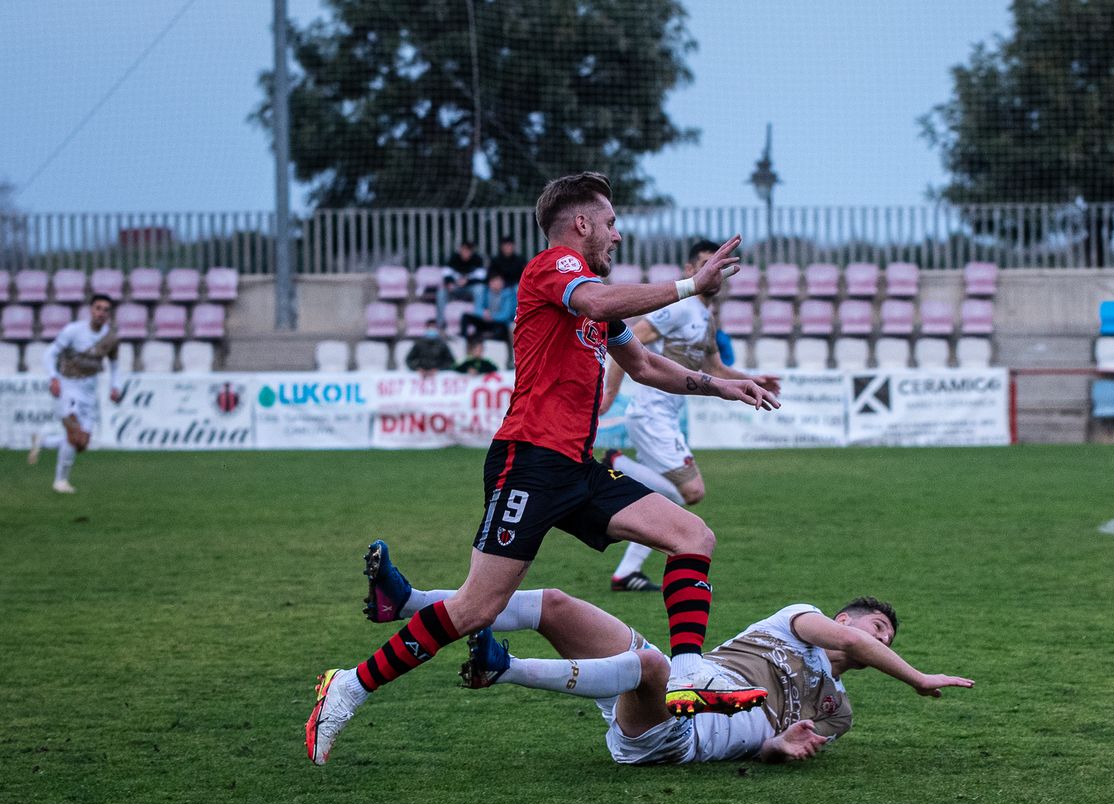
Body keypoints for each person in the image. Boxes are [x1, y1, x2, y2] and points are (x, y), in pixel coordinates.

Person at [308, 171, 781, 766]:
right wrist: (690, 284)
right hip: (527, 464)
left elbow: (644, 367)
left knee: (692, 536)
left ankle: (687, 672)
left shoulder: (591, 294)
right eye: (610, 223)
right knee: (477, 609)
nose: (617, 233)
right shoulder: (551, 270)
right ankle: (348, 685)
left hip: (574, 469)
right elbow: (595, 301)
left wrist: (726, 385)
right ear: (581, 223)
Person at [323, 541, 973, 766]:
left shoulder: (838, 711)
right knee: (553, 603)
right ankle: (407, 604)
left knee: (653, 667)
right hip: (690, 683)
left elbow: (779, 744)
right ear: (842, 621)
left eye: (889, 638)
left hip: (683, 734)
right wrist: (917, 680)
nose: (879, 638)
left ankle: (506, 668)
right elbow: (854, 642)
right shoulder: (795, 621)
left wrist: (779, 747)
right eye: (875, 626)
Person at [597, 239, 782, 592]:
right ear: (689, 271)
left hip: (664, 418)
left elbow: (714, 367)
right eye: (702, 263)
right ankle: (618, 463)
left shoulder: (705, 318)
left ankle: (626, 574)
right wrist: (611, 391)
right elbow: (627, 337)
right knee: (691, 493)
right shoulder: (681, 308)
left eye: (717, 265)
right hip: (651, 415)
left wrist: (750, 380)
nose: (710, 270)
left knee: (665, 499)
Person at [27, 293, 121, 494]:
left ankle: (42, 441)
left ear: (109, 314)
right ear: (91, 310)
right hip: (68, 386)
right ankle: (60, 481)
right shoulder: (73, 331)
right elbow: (50, 353)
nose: (101, 313)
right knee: (73, 434)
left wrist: (116, 386)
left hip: (89, 390)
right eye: (98, 308)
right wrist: (53, 378)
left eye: (106, 310)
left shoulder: (111, 337)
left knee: (82, 444)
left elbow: (114, 364)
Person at [459, 273, 516, 360]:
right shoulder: (484, 292)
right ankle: (464, 339)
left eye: (499, 282)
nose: (498, 284)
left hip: (499, 323)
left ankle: (486, 339)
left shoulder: (508, 294)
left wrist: (492, 316)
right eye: (495, 282)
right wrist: (483, 313)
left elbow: (506, 314)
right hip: (485, 320)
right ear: (490, 283)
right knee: (466, 316)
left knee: (502, 328)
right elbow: (477, 308)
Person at [435, 239, 487, 327]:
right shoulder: (453, 258)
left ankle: (478, 319)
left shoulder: (477, 260)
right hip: (455, 288)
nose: (466, 252)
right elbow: (446, 273)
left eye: (468, 250)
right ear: (460, 249)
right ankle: (441, 323)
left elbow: (482, 276)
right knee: (441, 293)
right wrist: (450, 283)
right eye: (464, 250)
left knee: (480, 289)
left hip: (469, 289)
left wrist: (467, 281)